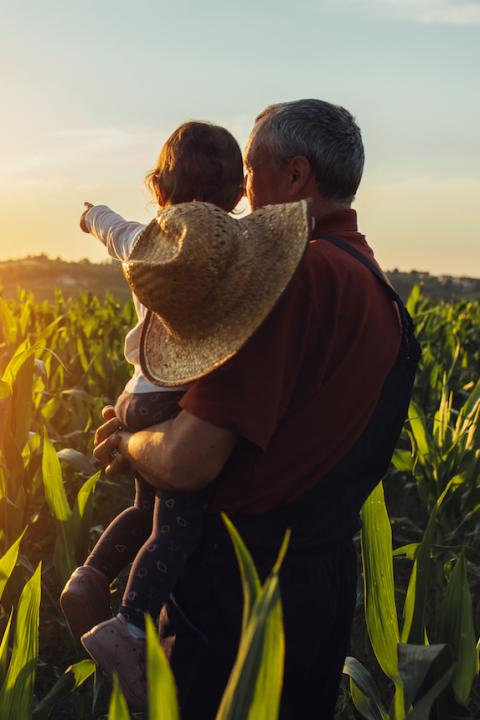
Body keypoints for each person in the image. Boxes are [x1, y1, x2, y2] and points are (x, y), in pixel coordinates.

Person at [93, 99, 421, 719]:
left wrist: (129, 444)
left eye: (251, 170)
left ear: (295, 177)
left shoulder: (292, 277)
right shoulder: (376, 287)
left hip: (238, 594)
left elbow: (189, 461)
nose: (241, 191)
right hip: (318, 588)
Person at [60, 122, 245, 710]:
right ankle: (130, 623)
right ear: (239, 198)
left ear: (159, 191)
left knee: (143, 511)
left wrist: (93, 216)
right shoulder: (229, 258)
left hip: (138, 391)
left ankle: (88, 577)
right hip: (177, 396)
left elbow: (111, 228)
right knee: (176, 524)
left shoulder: (142, 242)